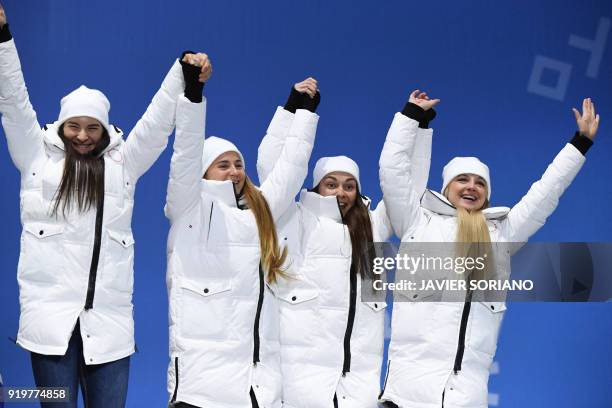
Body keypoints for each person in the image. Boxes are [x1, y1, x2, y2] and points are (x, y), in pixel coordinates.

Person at [0, 4, 210, 407]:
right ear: (61, 127)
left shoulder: (123, 165)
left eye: (92, 127)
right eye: (74, 126)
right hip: (50, 326)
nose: (82, 135)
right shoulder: (35, 159)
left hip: (110, 329)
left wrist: (181, 74)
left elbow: (155, 126)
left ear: (104, 130)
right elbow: (12, 100)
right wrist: (2, 36)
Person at [378, 90, 599, 408]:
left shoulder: (501, 235)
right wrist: (410, 117)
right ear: (446, 188)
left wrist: (580, 144)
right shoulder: (416, 222)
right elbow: (392, 171)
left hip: (465, 399)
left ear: (487, 194)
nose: (471, 187)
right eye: (462, 180)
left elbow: (545, 194)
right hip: (404, 397)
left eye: (479, 183)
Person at [256, 82, 432, 407]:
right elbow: (275, 166)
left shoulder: (375, 227)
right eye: (332, 184)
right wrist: (296, 108)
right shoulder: (292, 219)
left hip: (357, 388)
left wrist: (415, 124)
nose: (341, 192)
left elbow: (405, 185)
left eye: (349, 185)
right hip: (300, 387)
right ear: (316, 187)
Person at [164, 75, 319, 407]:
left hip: (255, 386)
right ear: (203, 172)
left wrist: (299, 111)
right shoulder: (188, 208)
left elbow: (290, 170)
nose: (234, 171)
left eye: (238, 164)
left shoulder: (259, 211)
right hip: (201, 386)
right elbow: (186, 154)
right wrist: (192, 96)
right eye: (223, 165)